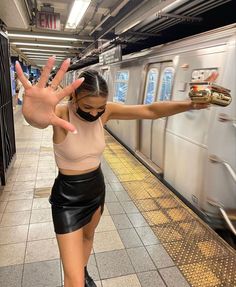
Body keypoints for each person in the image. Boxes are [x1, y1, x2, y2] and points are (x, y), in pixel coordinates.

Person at [15, 56, 218, 287]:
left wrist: (189, 104)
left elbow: (150, 110)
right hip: (67, 198)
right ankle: (79, 276)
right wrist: (32, 117)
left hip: (95, 189)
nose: (93, 114)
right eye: (87, 107)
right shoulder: (61, 114)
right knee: (72, 279)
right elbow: (40, 121)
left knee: (88, 237)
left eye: (99, 108)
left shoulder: (106, 112)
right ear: (74, 97)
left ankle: (83, 269)